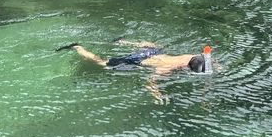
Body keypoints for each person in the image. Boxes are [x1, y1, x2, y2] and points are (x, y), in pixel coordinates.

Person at [58, 39, 213, 103]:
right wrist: (157, 95)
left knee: (152, 46)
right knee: (102, 63)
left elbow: (207, 54)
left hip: (153, 53)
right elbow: (150, 81)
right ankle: (78, 48)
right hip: (138, 60)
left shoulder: (192, 56)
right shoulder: (168, 68)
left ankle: (122, 41)